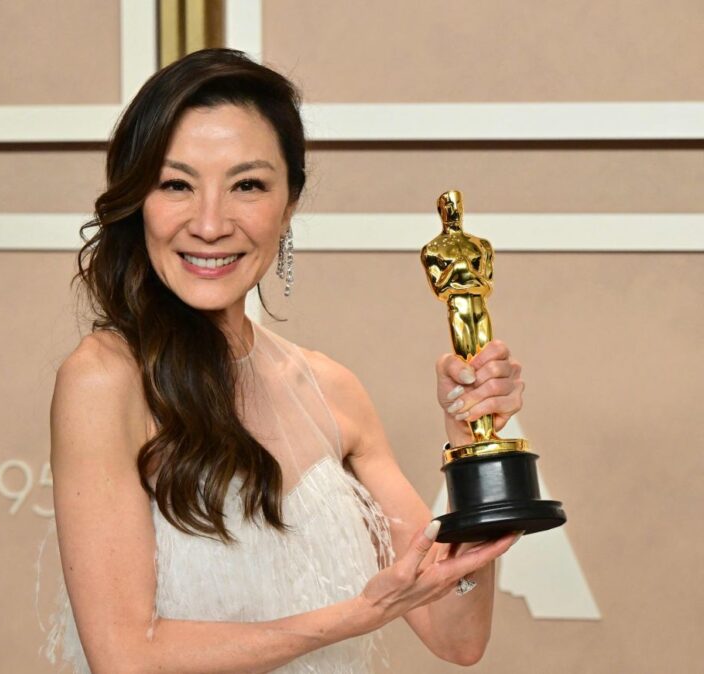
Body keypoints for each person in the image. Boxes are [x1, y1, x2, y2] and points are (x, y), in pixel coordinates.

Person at [38, 48, 523, 673]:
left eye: (247, 185)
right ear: (138, 203)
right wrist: (353, 617)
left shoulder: (331, 390)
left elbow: (458, 637)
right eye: (176, 184)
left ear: (288, 205)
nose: (210, 224)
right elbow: (126, 656)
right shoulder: (105, 378)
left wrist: (468, 442)